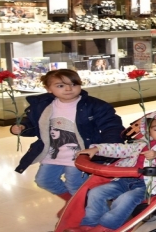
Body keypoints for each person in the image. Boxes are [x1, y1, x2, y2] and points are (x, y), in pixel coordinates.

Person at [10, 69, 124, 217]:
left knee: (75, 184)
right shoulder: (41, 105)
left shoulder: (95, 105)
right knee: (44, 180)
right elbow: (33, 125)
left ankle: (94, 215)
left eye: (73, 84)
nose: (68, 89)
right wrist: (21, 128)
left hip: (81, 155)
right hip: (53, 154)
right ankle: (75, 203)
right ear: (48, 89)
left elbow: (112, 126)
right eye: (60, 86)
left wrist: (104, 147)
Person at [64, 109, 156, 232]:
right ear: (148, 131)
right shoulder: (143, 142)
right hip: (126, 179)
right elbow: (121, 149)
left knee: (126, 199)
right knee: (96, 193)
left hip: (151, 184)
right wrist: (97, 149)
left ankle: (107, 227)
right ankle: (89, 224)